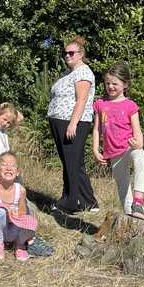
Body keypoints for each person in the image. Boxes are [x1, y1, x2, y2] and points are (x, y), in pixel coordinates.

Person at [47, 36, 98, 213]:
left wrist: (72, 124)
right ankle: (88, 202)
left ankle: (69, 202)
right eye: (65, 53)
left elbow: (81, 100)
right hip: (60, 121)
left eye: (71, 53)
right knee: (74, 162)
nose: (67, 56)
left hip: (72, 122)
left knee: (71, 163)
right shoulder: (69, 73)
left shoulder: (83, 72)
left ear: (81, 54)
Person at [93, 62, 144, 219]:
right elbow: (96, 129)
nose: (110, 86)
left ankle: (138, 202)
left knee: (140, 157)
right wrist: (95, 149)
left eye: (114, 83)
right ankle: (130, 215)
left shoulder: (130, 105)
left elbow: (137, 130)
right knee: (123, 187)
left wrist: (139, 143)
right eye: (107, 83)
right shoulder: (100, 104)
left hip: (129, 147)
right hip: (113, 153)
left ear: (125, 85)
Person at [0, 153, 37, 261]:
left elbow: (23, 212)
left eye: (13, 166)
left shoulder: (21, 190)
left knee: (31, 220)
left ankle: (20, 245)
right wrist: (2, 211)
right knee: (0, 211)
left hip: (14, 228)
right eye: (4, 165)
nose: (9, 168)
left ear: (17, 172)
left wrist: (15, 214)